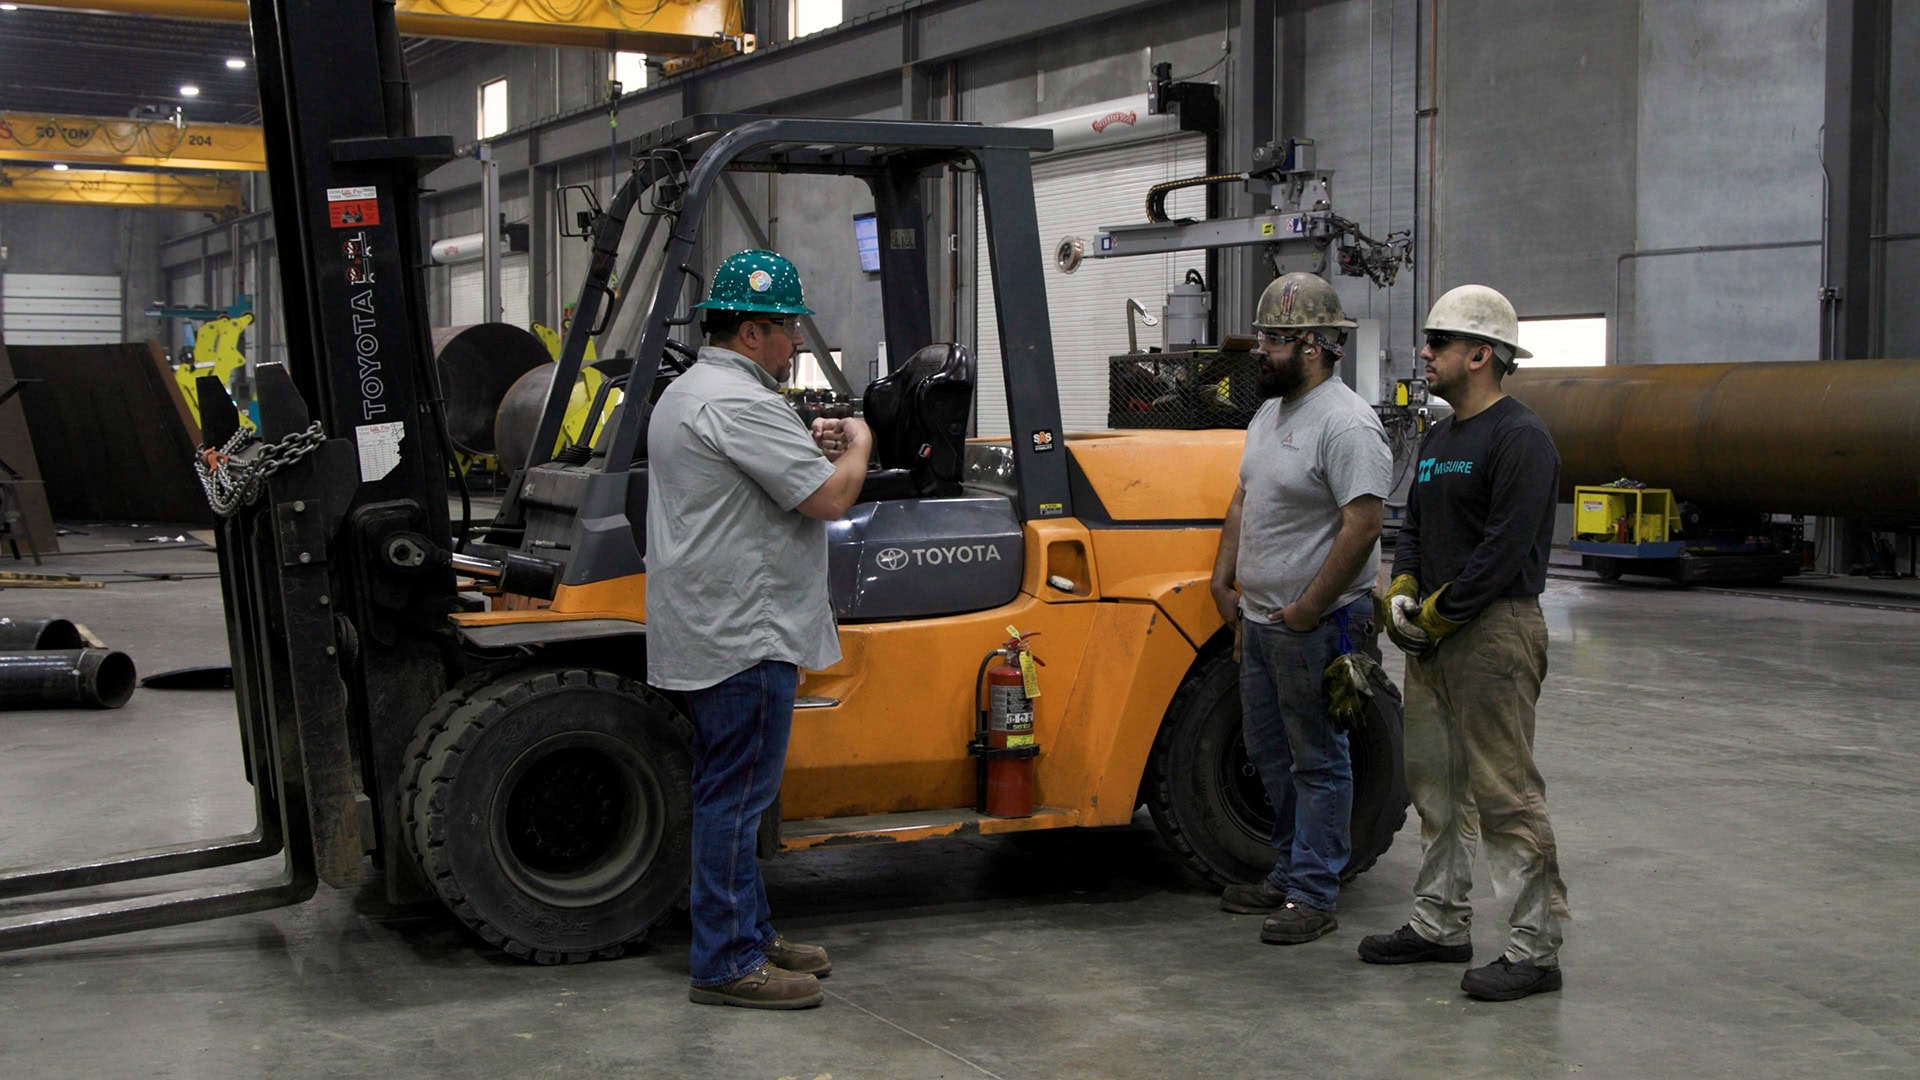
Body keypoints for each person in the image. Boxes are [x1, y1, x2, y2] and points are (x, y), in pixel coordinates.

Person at [645, 249, 872, 1010]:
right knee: (735, 799)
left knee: (732, 793)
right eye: (786, 332)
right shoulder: (741, 402)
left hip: (718, 624)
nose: (795, 346)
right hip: (746, 631)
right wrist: (860, 445)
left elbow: (767, 481)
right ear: (750, 333)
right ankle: (726, 960)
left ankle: (748, 928)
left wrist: (810, 453)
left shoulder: (695, 391)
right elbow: (830, 501)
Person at [1360, 283, 1571, 1002]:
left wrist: (1445, 610)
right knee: (1438, 789)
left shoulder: (1521, 438)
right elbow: (1414, 519)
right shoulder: (1442, 437)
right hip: (1436, 636)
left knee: (1505, 793)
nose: (1425, 354)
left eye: (1438, 344)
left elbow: (1506, 547)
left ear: (1481, 355)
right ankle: (1439, 923)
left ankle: (1535, 949)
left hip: (1494, 632)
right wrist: (1404, 584)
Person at [1209, 272, 1393, 945]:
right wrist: (1222, 581)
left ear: (1313, 346)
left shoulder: (1347, 424)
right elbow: (1243, 501)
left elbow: (1364, 525)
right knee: (1270, 752)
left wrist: (1308, 609)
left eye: (1274, 340)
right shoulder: (1269, 415)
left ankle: (1315, 891)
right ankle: (1288, 873)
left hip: (1314, 625)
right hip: (1260, 623)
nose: (1260, 350)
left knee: (1318, 756)